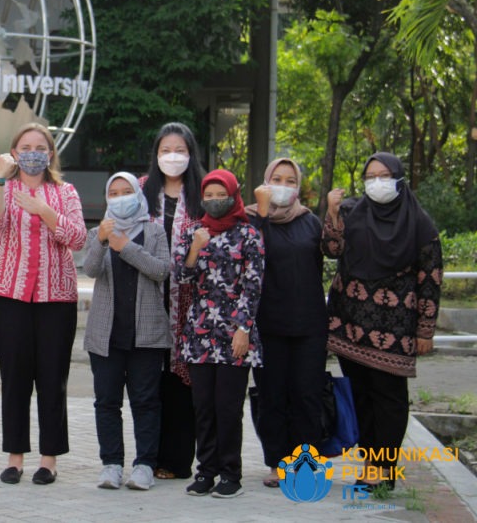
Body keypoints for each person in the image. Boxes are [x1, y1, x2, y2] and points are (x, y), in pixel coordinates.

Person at [325, 152, 441, 491]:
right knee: (360, 395)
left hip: (396, 329)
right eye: (371, 175)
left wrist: (425, 330)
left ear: (400, 179)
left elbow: (431, 279)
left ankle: (384, 469)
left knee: (389, 400)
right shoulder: (349, 212)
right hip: (349, 326)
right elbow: (331, 250)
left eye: (385, 174)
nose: (377, 182)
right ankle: (368, 464)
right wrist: (331, 213)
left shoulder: (420, 224)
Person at [0, 123, 86, 486]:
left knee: (52, 378)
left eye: (39, 147)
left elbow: (77, 237)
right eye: (24, 146)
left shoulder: (65, 192)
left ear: (50, 153)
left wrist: (44, 210)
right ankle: (14, 457)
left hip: (55, 298)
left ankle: (49, 458)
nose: (32, 152)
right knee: (14, 378)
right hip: (9, 296)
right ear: (13, 151)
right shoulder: (3, 188)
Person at [173, 169, 263, 499]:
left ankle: (230, 474)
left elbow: (252, 286)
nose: (213, 201)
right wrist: (195, 248)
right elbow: (182, 277)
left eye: (219, 194)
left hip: (235, 332)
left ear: (233, 195)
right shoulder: (193, 231)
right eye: (207, 196)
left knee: (228, 406)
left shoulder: (249, 234)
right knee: (203, 406)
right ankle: (205, 472)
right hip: (199, 333)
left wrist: (243, 330)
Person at [82, 173, 171, 491]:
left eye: (127, 191)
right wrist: (104, 241)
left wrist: (126, 247)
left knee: (146, 401)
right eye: (114, 193)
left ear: (138, 194)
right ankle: (111, 464)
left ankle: (145, 464)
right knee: (106, 402)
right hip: (106, 334)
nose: (120, 197)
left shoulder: (155, 230)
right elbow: (90, 270)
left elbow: (161, 271)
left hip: (146, 334)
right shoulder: (99, 231)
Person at [245, 158, 327, 488]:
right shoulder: (251, 219)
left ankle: (305, 463)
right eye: (276, 178)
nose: (283, 184)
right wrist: (263, 214)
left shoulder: (310, 222)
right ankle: (278, 462)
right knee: (272, 395)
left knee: (307, 395)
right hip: (267, 324)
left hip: (309, 324)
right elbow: (252, 254)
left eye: (290, 180)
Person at [139, 122, 204, 481]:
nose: (173, 157)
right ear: (156, 155)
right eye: (166, 151)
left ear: (191, 154)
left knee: (183, 382)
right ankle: (150, 456)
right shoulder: (141, 191)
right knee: (151, 381)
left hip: (192, 304)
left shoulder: (203, 192)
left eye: (180, 150)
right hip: (147, 299)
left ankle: (179, 460)